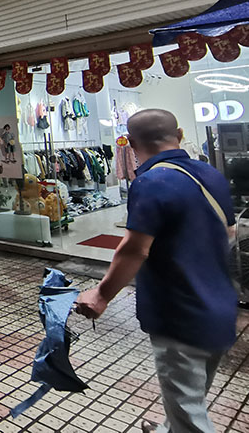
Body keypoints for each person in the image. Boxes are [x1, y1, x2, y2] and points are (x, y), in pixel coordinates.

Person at [74, 109, 237, 433]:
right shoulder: (211, 174)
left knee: (189, 413)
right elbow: (229, 233)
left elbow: (135, 249)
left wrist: (101, 295)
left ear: (131, 144)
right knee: (190, 395)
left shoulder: (150, 182)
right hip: (220, 306)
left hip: (180, 312)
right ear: (179, 134)